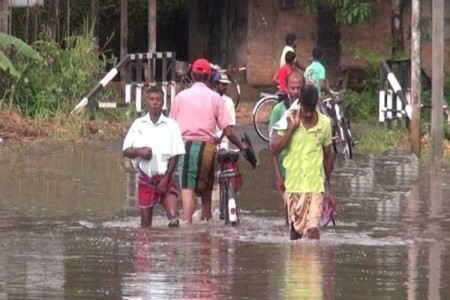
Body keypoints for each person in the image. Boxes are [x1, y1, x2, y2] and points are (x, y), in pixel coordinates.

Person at [169, 58, 248, 223]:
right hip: (208, 149)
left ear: (192, 75)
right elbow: (228, 130)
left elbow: (172, 128)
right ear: (209, 77)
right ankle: (206, 231)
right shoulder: (215, 98)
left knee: (188, 191)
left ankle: (188, 230)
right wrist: (242, 147)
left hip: (186, 149)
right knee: (206, 194)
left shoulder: (180, 97)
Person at [270, 84, 334, 240]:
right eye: (305, 109)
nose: (308, 113)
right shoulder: (289, 119)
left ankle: (313, 263)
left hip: (315, 186)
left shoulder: (325, 124)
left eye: (311, 109)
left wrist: (330, 190)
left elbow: (328, 156)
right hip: (294, 185)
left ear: (317, 103)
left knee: (313, 231)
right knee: (295, 235)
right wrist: (291, 129)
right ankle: (296, 263)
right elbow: (274, 148)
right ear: (300, 102)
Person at [122, 86, 185, 227]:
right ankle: (147, 247)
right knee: (145, 224)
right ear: (146, 102)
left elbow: (175, 155)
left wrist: (166, 179)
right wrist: (139, 152)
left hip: (165, 178)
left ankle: (171, 248)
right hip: (146, 179)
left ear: (163, 103)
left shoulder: (172, 125)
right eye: (152, 99)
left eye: (158, 99)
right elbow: (125, 150)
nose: (155, 102)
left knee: (174, 220)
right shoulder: (138, 125)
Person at [269, 72, 304, 223]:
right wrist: (277, 173)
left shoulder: (307, 110)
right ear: (286, 89)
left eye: (299, 88)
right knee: (289, 209)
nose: (296, 91)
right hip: (285, 167)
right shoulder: (278, 110)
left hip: (304, 167)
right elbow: (272, 145)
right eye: (293, 88)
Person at [212, 72, 236, 150]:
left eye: (226, 85)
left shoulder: (229, 101)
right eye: (222, 84)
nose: (225, 87)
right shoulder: (209, 98)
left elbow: (229, 125)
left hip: (222, 141)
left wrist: (220, 138)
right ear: (216, 85)